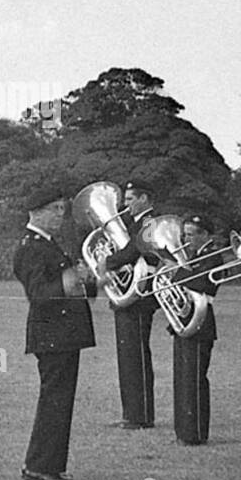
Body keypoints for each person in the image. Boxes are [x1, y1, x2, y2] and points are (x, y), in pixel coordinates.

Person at [14, 187, 96, 480]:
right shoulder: (31, 247)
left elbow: (70, 288)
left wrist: (86, 280)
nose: (61, 215)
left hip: (64, 334)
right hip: (52, 334)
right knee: (54, 401)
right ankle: (39, 466)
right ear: (36, 212)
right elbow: (39, 295)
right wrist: (68, 280)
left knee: (60, 401)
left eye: (62, 209)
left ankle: (50, 465)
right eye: (54, 209)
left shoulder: (47, 244)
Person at [102, 180, 159, 429]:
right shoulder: (135, 224)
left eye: (130, 199)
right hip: (130, 295)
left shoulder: (151, 223)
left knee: (135, 356)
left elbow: (135, 250)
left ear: (144, 199)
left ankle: (141, 415)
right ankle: (131, 413)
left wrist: (108, 261)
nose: (125, 205)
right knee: (127, 357)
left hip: (141, 297)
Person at [168, 214, 220, 446]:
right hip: (185, 316)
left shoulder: (212, 257)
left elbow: (198, 281)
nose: (185, 239)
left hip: (200, 319)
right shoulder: (191, 257)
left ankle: (195, 432)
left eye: (190, 234)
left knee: (194, 377)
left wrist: (178, 272)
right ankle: (184, 431)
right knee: (182, 377)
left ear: (204, 235)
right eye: (184, 234)